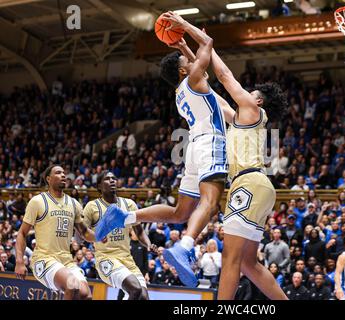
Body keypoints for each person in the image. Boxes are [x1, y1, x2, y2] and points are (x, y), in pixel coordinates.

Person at [94, 11, 229, 288]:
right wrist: (185, 27)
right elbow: (209, 43)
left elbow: (197, 62)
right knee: (211, 202)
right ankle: (185, 245)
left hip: (193, 147)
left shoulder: (182, 91)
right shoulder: (194, 80)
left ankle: (125, 216)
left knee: (180, 212)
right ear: (183, 70)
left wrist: (181, 47)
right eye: (186, 62)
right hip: (210, 142)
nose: (191, 63)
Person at [207, 30, 288, 300]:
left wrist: (206, 45)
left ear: (258, 100)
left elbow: (224, 77)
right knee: (247, 263)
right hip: (261, 187)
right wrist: (191, 60)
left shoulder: (253, 110)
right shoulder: (243, 118)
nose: (245, 92)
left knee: (230, 256)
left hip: (249, 184)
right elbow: (214, 97)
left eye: (250, 91)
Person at [15, 165, 96, 300]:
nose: (63, 175)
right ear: (48, 179)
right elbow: (22, 233)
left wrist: (101, 236)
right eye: (58, 173)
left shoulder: (74, 203)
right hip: (44, 259)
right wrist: (19, 261)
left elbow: (84, 233)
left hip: (66, 261)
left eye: (64, 173)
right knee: (72, 285)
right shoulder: (38, 201)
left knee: (86, 295)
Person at [83, 171, 152, 300]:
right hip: (106, 259)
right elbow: (82, 233)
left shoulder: (129, 204)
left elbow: (139, 231)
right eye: (107, 179)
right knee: (135, 289)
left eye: (114, 178)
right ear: (99, 186)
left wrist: (148, 245)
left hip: (127, 259)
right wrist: (95, 236)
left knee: (143, 297)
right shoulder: (92, 207)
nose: (112, 180)